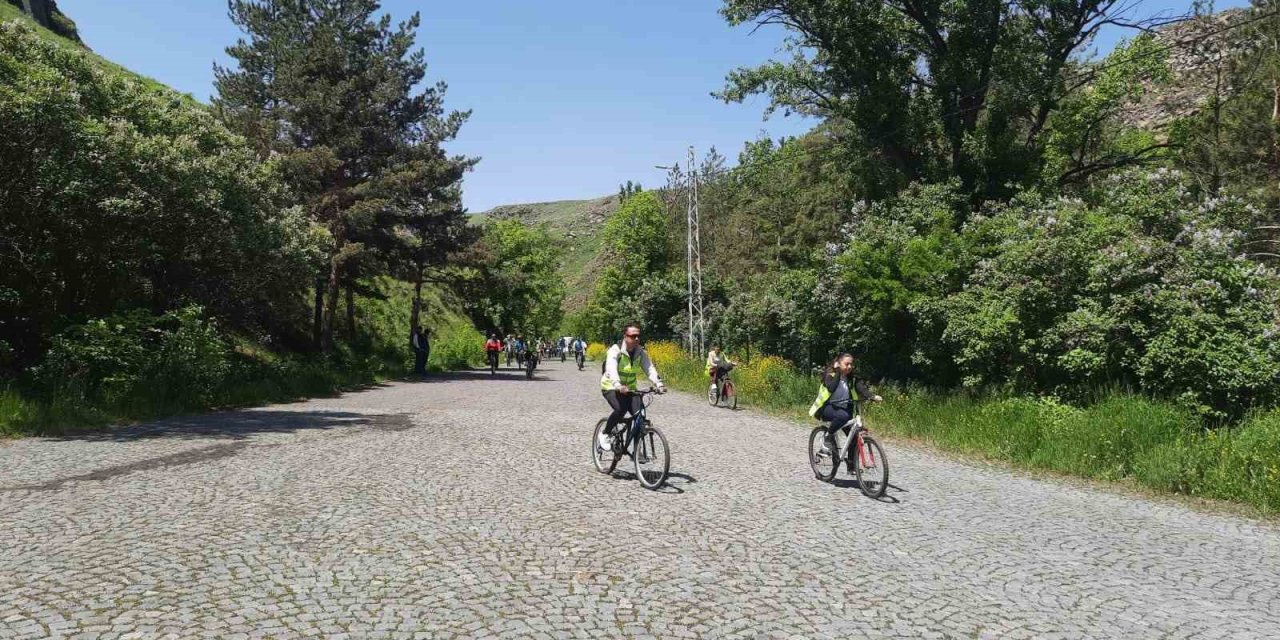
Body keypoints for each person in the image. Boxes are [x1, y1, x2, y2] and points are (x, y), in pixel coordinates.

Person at [598, 323, 666, 452]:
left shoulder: (640, 352)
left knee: (640, 415)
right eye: (633, 336)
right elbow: (611, 368)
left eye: (638, 336)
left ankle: (637, 451)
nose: (636, 339)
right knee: (620, 409)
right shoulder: (615, 350)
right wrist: (617, 385)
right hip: (611, 386)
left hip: (630, 389)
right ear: (625, 337)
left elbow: (649, 367)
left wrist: (659, 384)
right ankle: (605, 433)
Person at [808, 353, 882, 452]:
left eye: (851, 364)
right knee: (843, 416)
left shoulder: (851, 378)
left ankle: (851, 467)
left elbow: (861, 388)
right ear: (838, 363)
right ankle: (828, 437)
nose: (850, 366)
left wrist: (872, 396)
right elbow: (831, 388)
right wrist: (838, 372)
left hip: (844, 411)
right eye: (846, 364)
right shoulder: (829, 375)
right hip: (826, 408)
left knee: (854, 440)